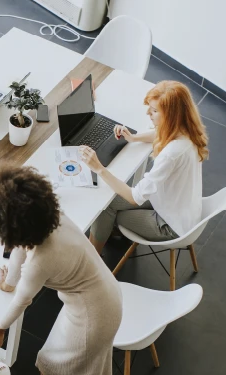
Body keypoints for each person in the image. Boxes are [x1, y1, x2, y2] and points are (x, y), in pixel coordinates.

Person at [0, 166, 122, 375]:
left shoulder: (42, 261)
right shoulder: (53, 217)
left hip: (95, 314)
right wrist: (10, 282)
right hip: (103, 294)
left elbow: (23, 299)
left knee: (54, 366)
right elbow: (21, 248)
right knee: (76, 368)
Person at [81, 80, 208, 254]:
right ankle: (101, 238)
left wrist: (99, 168)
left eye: (155, 111)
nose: (148, 113)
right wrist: (133, 138)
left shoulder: (171, 154)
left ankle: (90, 258)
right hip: (177, 207)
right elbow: (161, 133)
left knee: (108, 211)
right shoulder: (188, 131)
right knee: (108, 203)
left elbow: (134, 197)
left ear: (171, 117)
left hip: (170, 225)